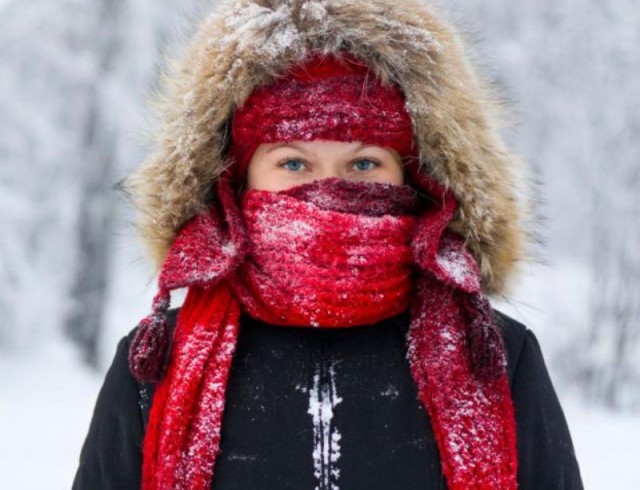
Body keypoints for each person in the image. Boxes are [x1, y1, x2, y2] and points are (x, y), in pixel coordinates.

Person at [72, 1, 584, 489]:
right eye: (293, 163)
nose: (328, 189)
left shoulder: (492, 354)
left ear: (412, 177)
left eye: (364, 164)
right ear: (237, 181)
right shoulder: (156, 363)